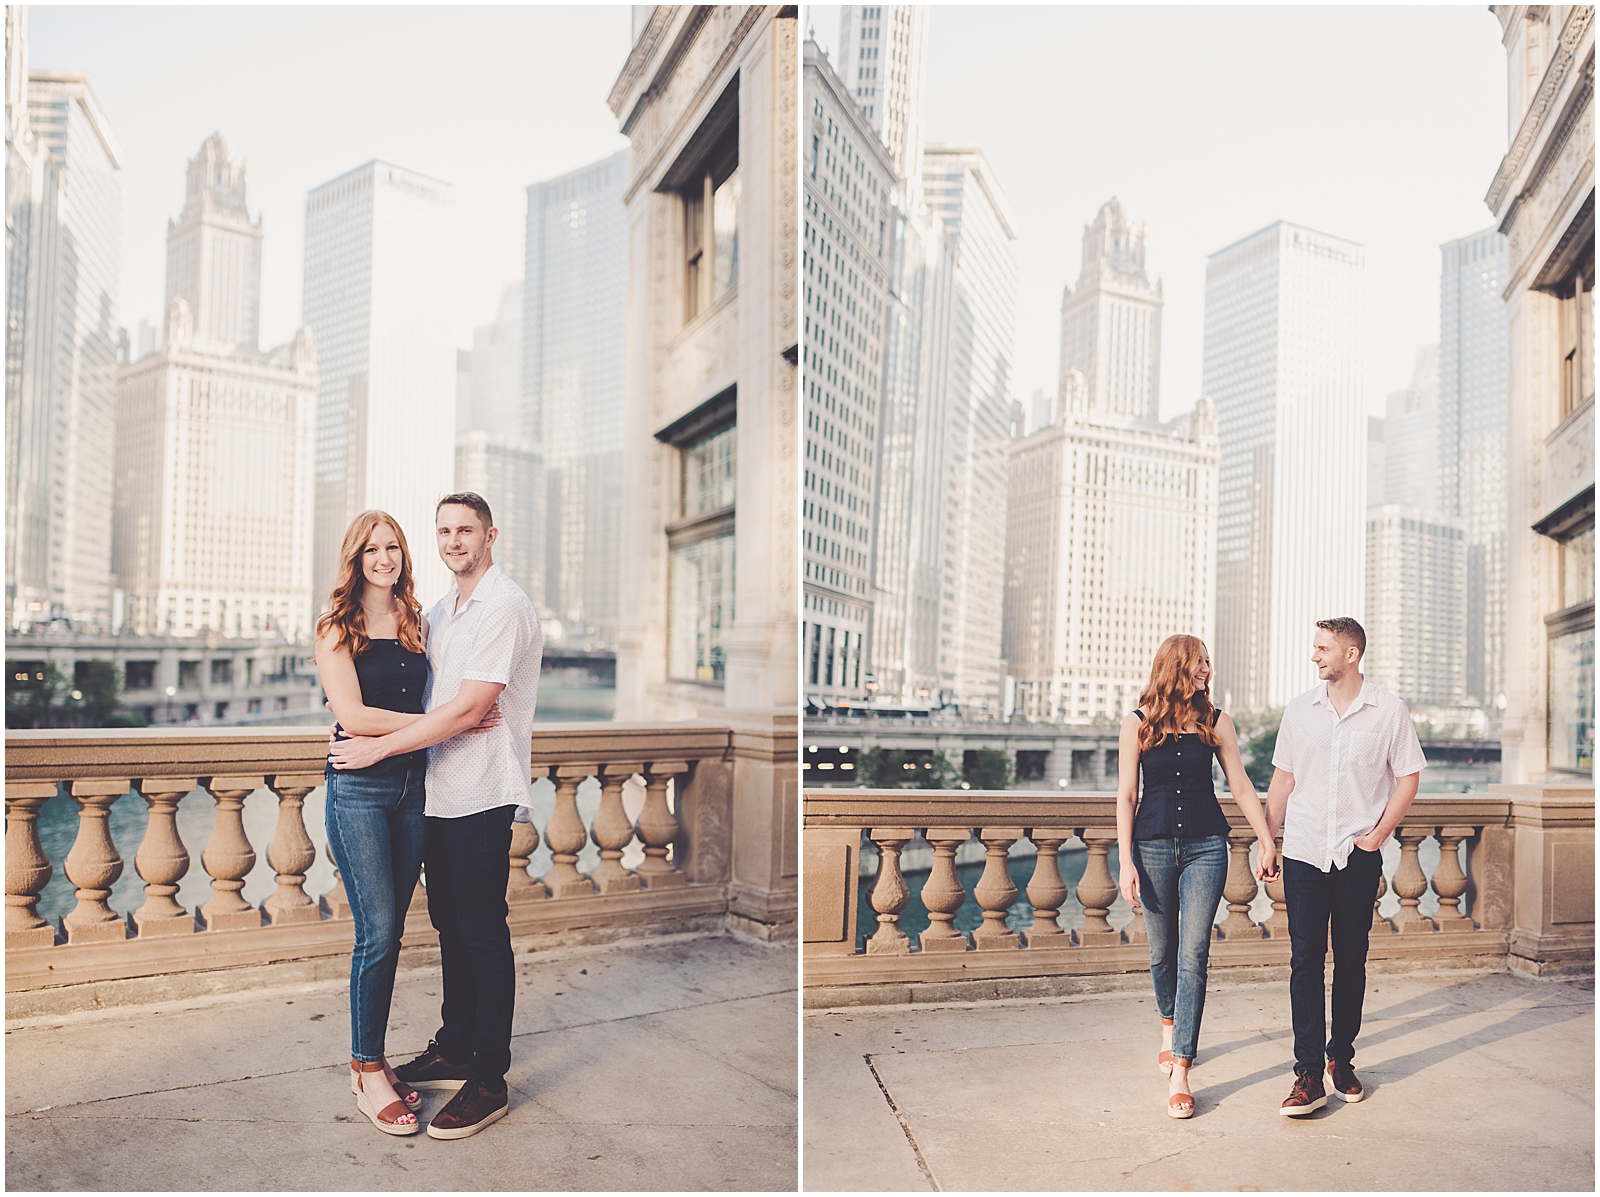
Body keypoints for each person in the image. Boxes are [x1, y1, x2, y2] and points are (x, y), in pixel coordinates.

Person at [330, 492, 542, 1141]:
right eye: (444, 530)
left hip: (482, 790)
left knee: (481, 928)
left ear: (490, 534)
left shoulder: (503, 606)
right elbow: (437, 707)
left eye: (465, 530)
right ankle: (454, 1044)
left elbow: (470, 707)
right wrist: (389, 736)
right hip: (438, 791)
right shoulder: (441, 611)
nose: (453, 540)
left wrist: (378, 745)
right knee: (450, 922)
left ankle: (488, 1076)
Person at [315, 509, 492, 1136]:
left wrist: (448, 717)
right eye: (372, 550)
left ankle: (380, 1059)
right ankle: (365, 1070)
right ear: (355, 559)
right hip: (360, 786)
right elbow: (354, 717)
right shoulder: (336, 628)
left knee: (399, 930)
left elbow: (427, 704)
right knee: (379, 930)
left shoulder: (419, 622)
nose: (384, 559)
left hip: (415, 787)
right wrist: (450, 718)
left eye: (393, 548)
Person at [1267, 617, 1425, 1116]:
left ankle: (1342, 1059)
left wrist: (1377, 836)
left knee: (1352, 959)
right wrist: (1267, 841)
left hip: (1357, 855)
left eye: (1323, 649)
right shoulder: (1299, 711)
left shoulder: (1388, 711)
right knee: (1305, 962)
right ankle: (1308, 1074)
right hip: (1305, 850)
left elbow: (1407, 779)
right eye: (1315, 648)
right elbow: (1283, 782)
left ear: (1351, 653)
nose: (1315, 656)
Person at [1116, 634, 1278, 1119]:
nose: (1206, 670)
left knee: (1194, 953)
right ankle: (1169, 1022)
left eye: (1208, 661)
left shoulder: (1216, 720)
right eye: (1197, 663)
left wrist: (1267, 838)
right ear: (1174, 667)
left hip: (1208, 846)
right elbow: (1126, 795)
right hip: (1153, 847)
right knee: (1161, 952)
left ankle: (1182, 1066)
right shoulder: (1138, 723)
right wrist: (1125, 860)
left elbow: (1242, 785)